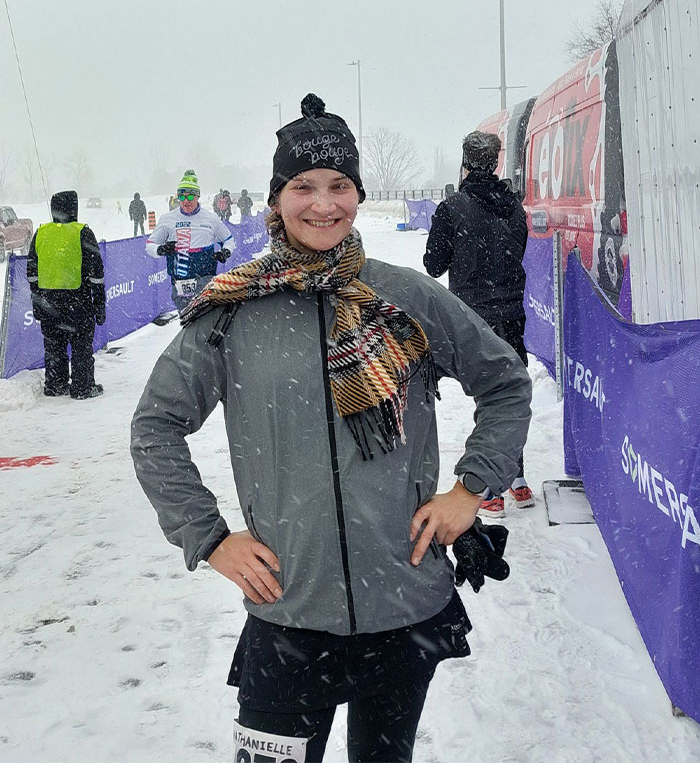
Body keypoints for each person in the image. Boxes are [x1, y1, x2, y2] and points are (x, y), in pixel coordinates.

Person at [132, 95, 531, 762]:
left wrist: (470, 490)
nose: (324, 204)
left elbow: (506, 382)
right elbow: (154, 430)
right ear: (277, 198)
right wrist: (208, 538)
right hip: (288, 612)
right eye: (304, 187)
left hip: (403, 603)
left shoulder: (406, 296)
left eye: (339, 186)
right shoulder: (231, 311)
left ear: (357, 193)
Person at [424, 130, 534, 517]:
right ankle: (517, 479)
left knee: (490, 398)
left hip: (471, 318)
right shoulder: (514, 206)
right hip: (511, 314)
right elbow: (515, 251)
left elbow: (433, 265)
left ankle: (489, 488)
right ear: (496, 161)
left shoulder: (454, 207)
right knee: (507, 394)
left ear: (466, 162)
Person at [26, 191, 105, 399]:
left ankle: (55, 384)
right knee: (80, 346)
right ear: (74, 208)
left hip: (48, 303)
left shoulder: (41, 233)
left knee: (54, 346)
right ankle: (82, 387)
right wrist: (99, 304)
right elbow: (96, 274)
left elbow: (32, 273)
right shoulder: (82, 233)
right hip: (78, 302)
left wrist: (36, 300)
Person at [146, 170, 234, 313]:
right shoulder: (168, 219)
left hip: (205, 276)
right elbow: (150, 245)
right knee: (188, 319)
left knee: (205, 318)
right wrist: (160, 249)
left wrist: (225, 252)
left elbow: (229, 240)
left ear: (197, 196)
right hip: (180, 280)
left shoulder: (210, 218)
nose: (186, 201)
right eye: (182, 196)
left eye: (190, 196)